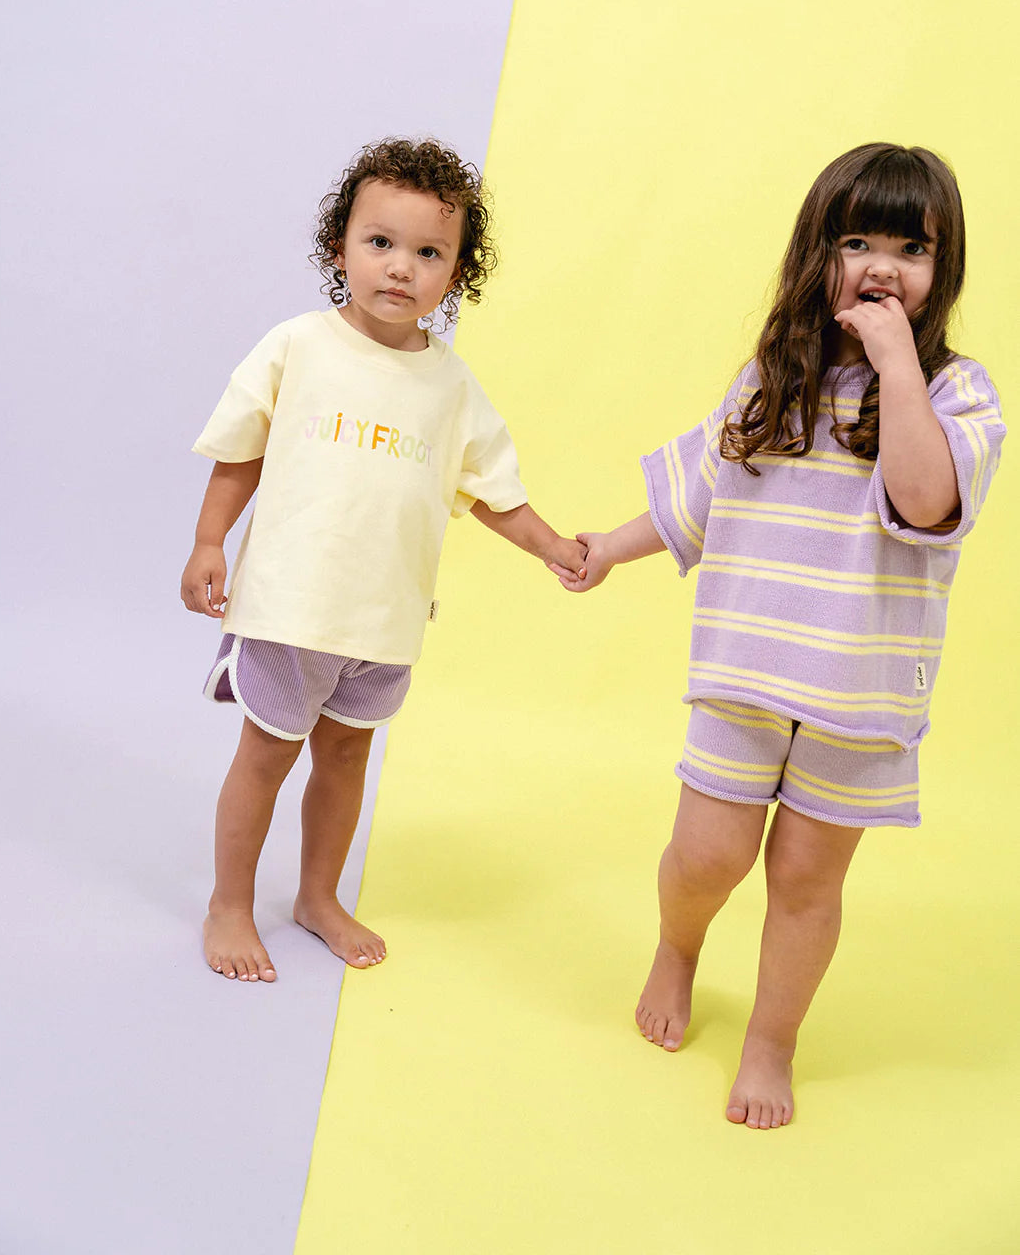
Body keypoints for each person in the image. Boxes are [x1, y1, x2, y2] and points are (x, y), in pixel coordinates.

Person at [559, 143, 1005, 1128]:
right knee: (705, 855)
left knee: (805, 878)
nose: (881, 266)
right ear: (818, 255)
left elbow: (924, 497)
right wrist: (607, 548)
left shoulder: (957, 396)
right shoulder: (774, 375)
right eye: (855, 241)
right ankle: (678, 946)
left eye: (908, 247)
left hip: (857, 689)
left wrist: (896, 369)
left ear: (943, 270)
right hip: (745, 666)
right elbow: (701, 496)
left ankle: (770, 1039)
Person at [182, 138, 586, 983]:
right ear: (341, 249)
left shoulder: (451, 387)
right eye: (380, 243)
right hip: (292, 607)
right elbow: (240, 452)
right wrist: (209, 541)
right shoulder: (299, 345)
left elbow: (495, 492)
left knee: (345, 758)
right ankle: (229, 902)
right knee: (267, 753)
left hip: (384, 619)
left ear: (455, 273)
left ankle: (317, 896)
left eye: (428, 252)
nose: (401, 268)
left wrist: (553, 548)